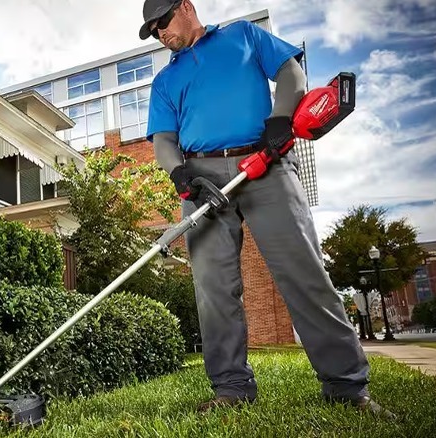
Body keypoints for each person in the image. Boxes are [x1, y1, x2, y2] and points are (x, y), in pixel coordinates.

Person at [138, 0, 395, 417]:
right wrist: (180, 175)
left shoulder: (243, 35)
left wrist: (280, 118)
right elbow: (165, 140)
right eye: (153, 31)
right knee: (214, 291)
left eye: (163, 22)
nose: (161, 34)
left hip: (266, 162)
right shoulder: (166, 80)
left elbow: (291, 72)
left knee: (303, 272)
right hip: (203, 181)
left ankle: (347, 387)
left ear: (186, 6)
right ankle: (232, 388)